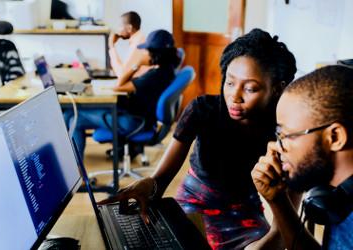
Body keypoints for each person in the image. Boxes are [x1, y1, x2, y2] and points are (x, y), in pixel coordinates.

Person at [99, 28, 297, 250]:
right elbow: (161, 180)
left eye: (250, 88)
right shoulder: (203, 110)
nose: (235, 96)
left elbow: (283, 229)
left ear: (278, 89)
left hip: (245, 217)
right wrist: (149, 185)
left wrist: (269, 243)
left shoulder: (288, 134)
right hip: (193, 207)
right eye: (230, 83)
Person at [250, 65, 353, 250]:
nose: (275, 147)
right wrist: (278, 200)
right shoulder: (338, 195)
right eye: (277, 134)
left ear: (335, 137)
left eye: (287, 135)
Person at [67, 29, 180, 156]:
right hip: (136, 117)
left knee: (74, 119)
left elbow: (119, 86)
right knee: (70, 113)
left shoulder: (156, 75)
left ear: (155, 53)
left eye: (147, 50)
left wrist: (137, 64)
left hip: (133, 122)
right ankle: (71, 161)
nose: (144, 52)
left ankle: (77, 171)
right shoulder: (166, 70)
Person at [109, 11, 149, 78]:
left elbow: (122, 75)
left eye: (120, 26)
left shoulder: (137, 44)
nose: (118, 31)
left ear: (129, 28)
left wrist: (111, 46)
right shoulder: (138, 39)